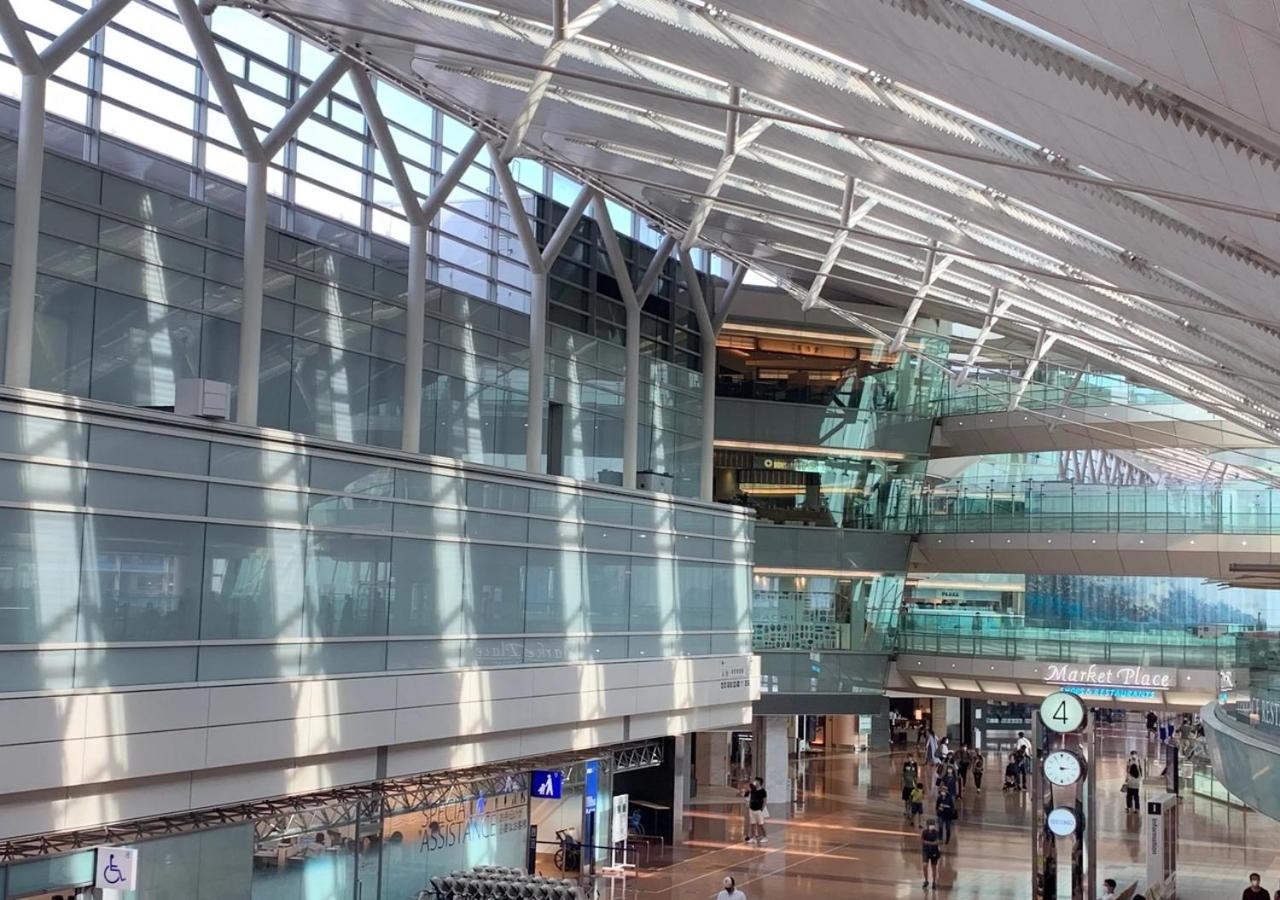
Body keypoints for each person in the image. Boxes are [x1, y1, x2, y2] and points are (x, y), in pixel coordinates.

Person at [743, 777, 768, 843]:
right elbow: (746, 795)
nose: (755, 782)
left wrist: (761, 809)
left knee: (761, 824)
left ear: (759, 783)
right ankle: (753, 837)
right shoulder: (753, 790)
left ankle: (765, 837)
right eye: (755, 781)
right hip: (752, 809)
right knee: (753, 824)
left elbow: (765, 801)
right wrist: (747, 790)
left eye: (757, 781)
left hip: (758, 810)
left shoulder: (763, 791)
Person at [920, 817, 942, 889]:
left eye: (932, 824)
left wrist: (928, 843)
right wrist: (931, 843)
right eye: (930, 824)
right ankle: (926, 880)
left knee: (934, 867)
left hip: (934, 851)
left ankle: (934, 882)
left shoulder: (936, 833)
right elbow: (922, 841)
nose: (931, 826)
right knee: (925, 865)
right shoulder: (924, 832)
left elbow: (937, 842)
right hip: (926, 851)